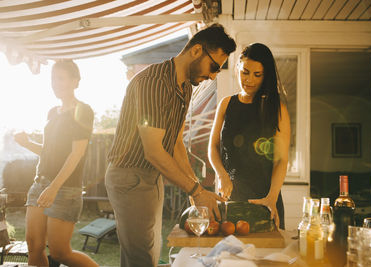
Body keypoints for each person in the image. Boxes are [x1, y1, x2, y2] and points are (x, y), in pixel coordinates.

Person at [105, 23, 236, 267]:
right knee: (140, 258)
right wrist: (196, 192)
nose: (213, 76)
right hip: (129, 177)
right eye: (214, 67)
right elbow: (153, 151)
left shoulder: (185, 87)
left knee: (151, 253)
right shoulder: (153, 83)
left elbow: (176, 143)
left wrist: (194, 188)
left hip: (151, 178)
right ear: (197, 51)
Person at [14, 60, 98, 267]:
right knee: (34, 246)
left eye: (60, 78)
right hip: (40, 184)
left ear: (75, 81)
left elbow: (76, 153)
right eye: (53, 78)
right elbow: (48, 152)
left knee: (60, 253)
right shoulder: (52, 112)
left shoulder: (83, 110)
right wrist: (27, 143)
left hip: (65, 188)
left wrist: (54, 187)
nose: (55, 83)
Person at [208, 43, 290, 230]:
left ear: (265, 75)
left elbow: (281, 160)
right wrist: (221, 174)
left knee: (268, 258)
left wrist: (272, 197)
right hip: (231, 201)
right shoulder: (226, 104)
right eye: (245, 72)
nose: (249, 80)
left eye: (257, 75)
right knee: (230, 257)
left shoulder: (277, 109)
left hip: (266, 200)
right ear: (237, 68)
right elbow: (213, 147)